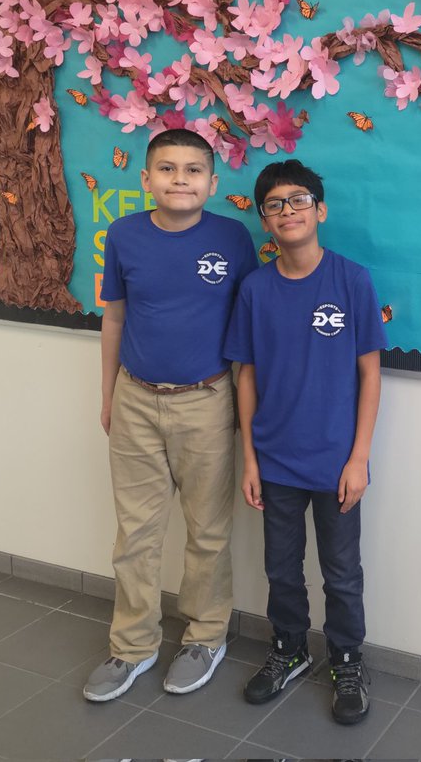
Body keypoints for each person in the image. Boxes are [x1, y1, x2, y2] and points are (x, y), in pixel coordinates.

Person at [83, 128, 256, 702]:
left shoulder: (233, 238)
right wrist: (108, 395)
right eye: (167, 168)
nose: (180, 179)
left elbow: (248, 328)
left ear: (213, 182)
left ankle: (205, 637)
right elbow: (114, 318)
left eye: (192, 170)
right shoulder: (124, 234)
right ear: (146, 179)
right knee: (135, 532)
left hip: (207, 401)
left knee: (207, 530)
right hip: (134, 399)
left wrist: (242, 406)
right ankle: (132, 646)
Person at [224, 159, 386, 725]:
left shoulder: (351, 280)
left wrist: (359, 457)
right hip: (275, 460)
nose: (287, 211)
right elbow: (245, 377)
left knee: (341, 571)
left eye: (298, 200)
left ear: (320, 210)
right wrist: (249, 459)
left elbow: (371, 374)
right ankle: (290, 649)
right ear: (264, 220)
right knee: (281, 568)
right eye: (274, 204)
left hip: (337, 461)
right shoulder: (254, 289)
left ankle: (346, 659)